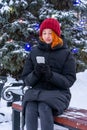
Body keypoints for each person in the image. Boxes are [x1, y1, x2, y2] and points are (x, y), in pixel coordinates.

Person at [21, 18, 76, 130]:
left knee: (44, 106)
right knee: (30, 106)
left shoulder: (66, 54)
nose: (47, 36)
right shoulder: (34, 52)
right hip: (36, 92)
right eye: (44, 33)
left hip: (58, 93)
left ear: (56, 34)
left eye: (50, 33)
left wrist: (51, 75)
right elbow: (26, 79)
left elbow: (69, 80)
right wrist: (35, 73)